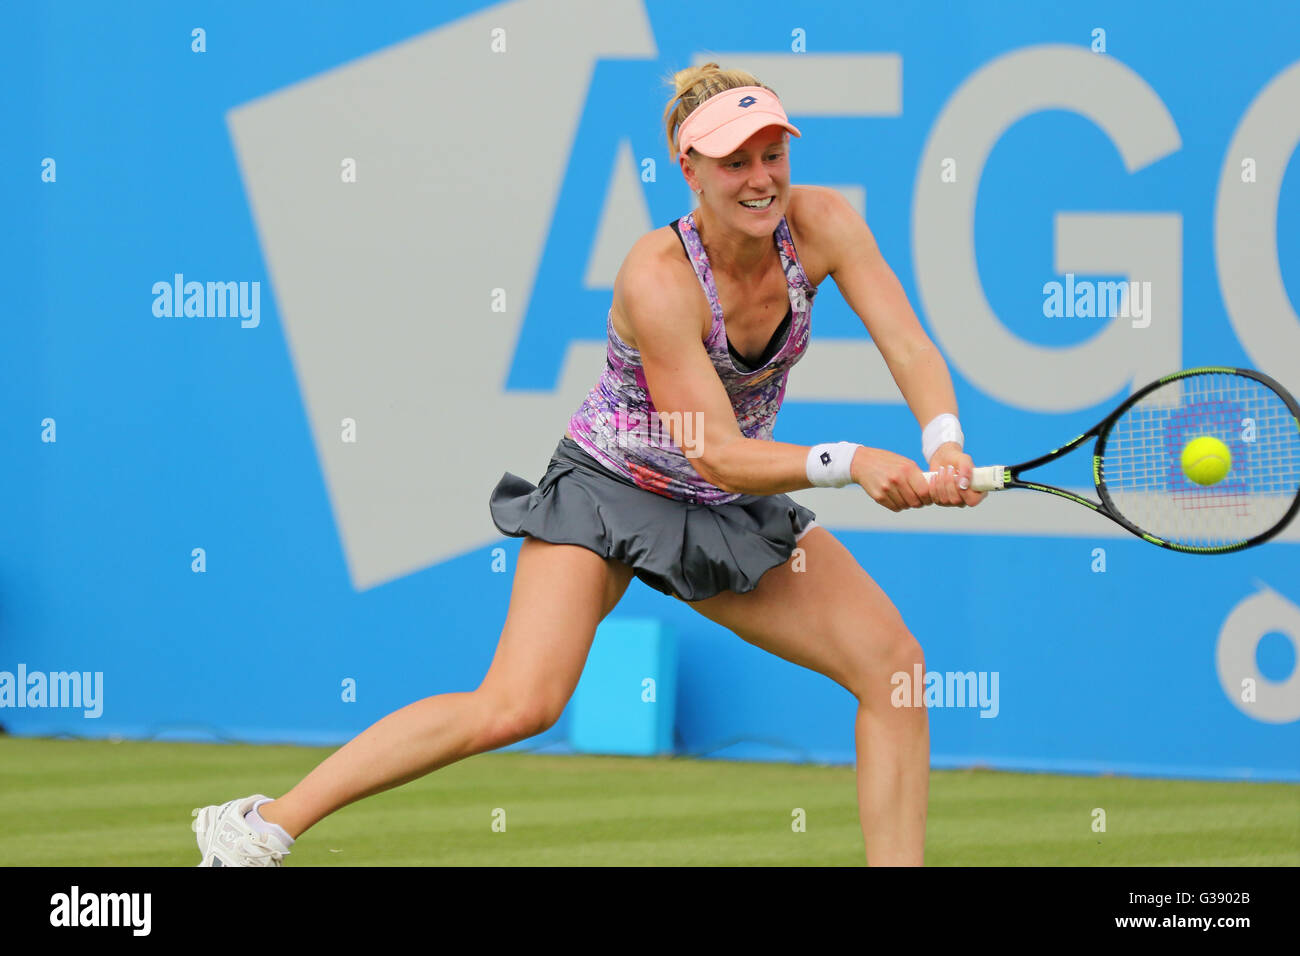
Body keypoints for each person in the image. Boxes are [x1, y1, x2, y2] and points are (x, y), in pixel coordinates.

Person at [190, 62, 985, 868]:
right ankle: (259, 826)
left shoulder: (822, 225)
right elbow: (711, 448)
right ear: (690, 170)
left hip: (722, 502)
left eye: (772, 154)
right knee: (516, 705)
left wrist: (942, 440)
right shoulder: (658, 277)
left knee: (895, 669)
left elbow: (910, 344)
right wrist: (848, 461)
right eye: (734, 161)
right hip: (610, 489)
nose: (760, 178)